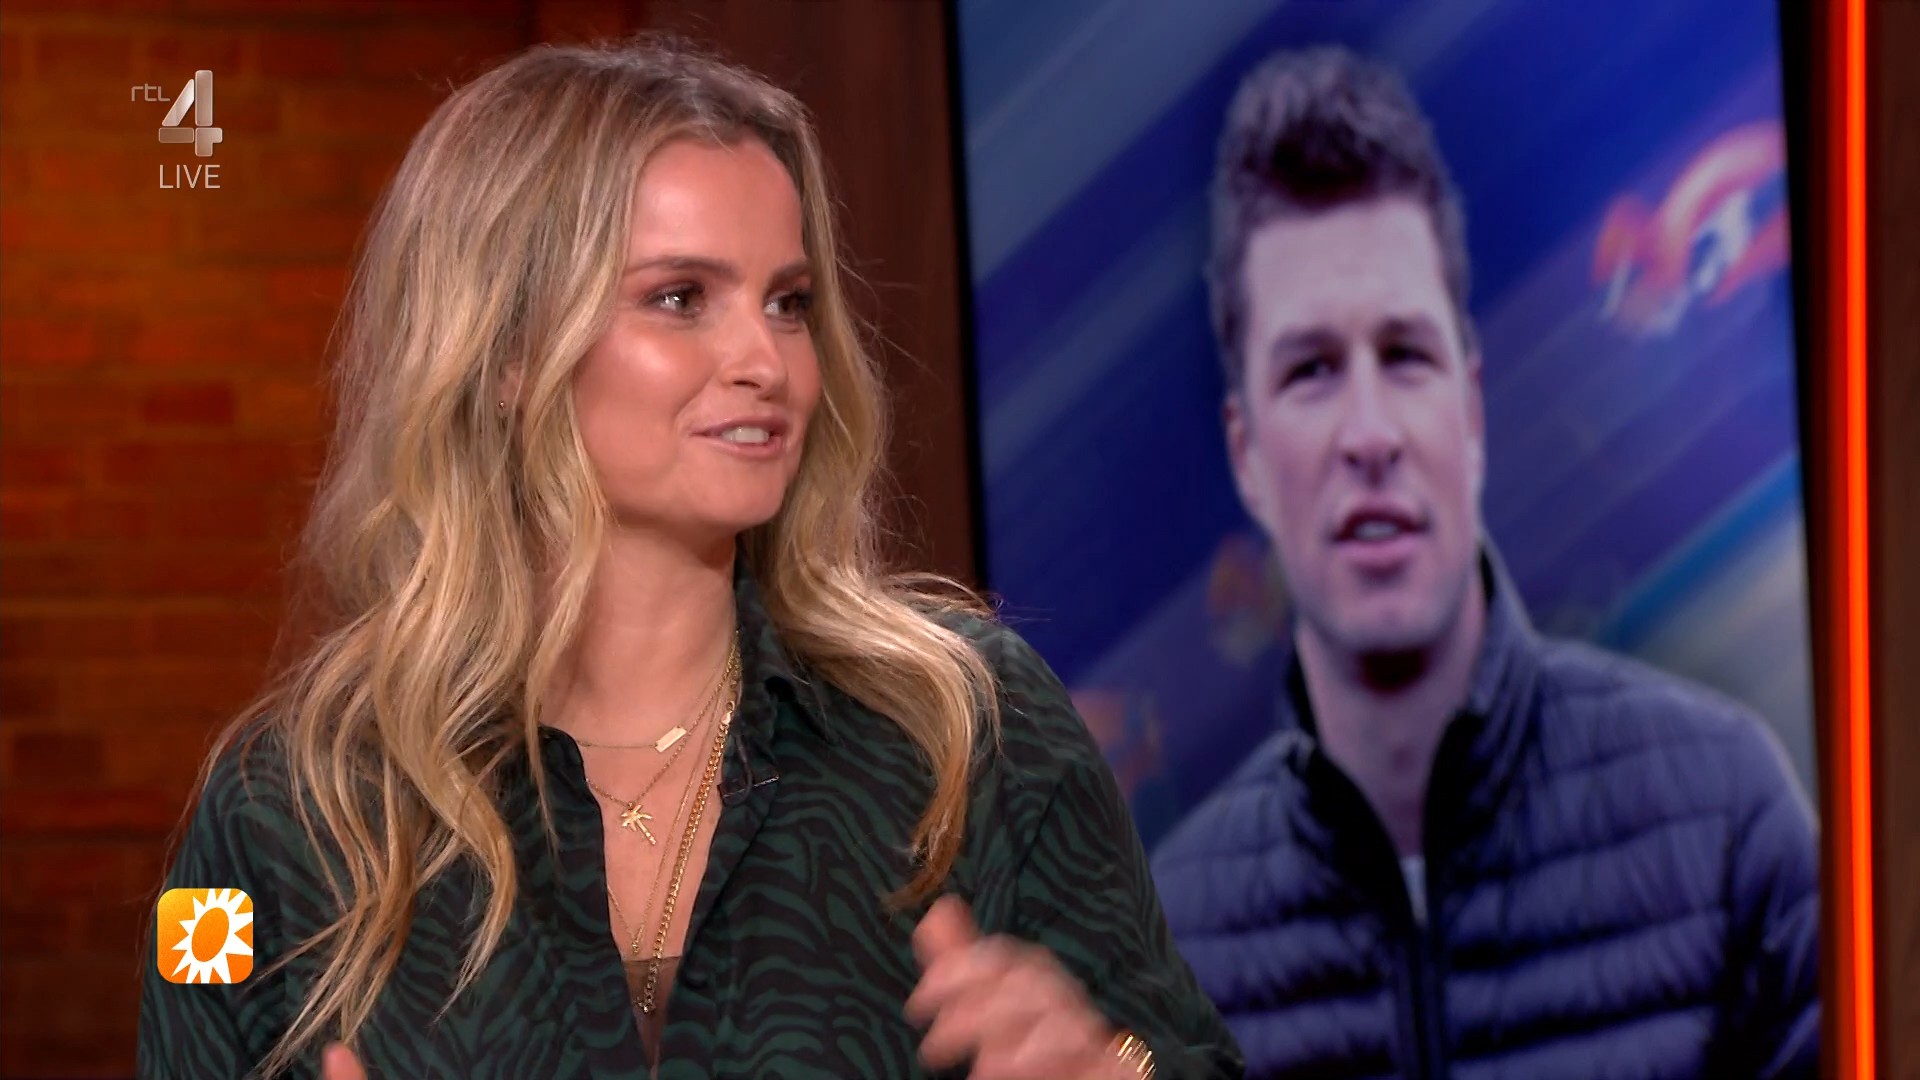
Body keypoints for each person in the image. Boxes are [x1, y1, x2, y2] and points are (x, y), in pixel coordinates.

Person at [136, 38, 1239, 1080]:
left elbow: (1184, 1055)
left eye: (789, 304)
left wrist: (1112, 1070)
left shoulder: (972, 726)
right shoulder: (272, 811)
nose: (767, 360)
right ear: (509, 348)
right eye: (680, 298)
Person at [1149, 46, 1818, 1079]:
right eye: (1312, 370)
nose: (1370, 434)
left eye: (1405, 356)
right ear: (1246, 454)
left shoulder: (1728, 824)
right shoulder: (1172, 955)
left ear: (1468, 407)